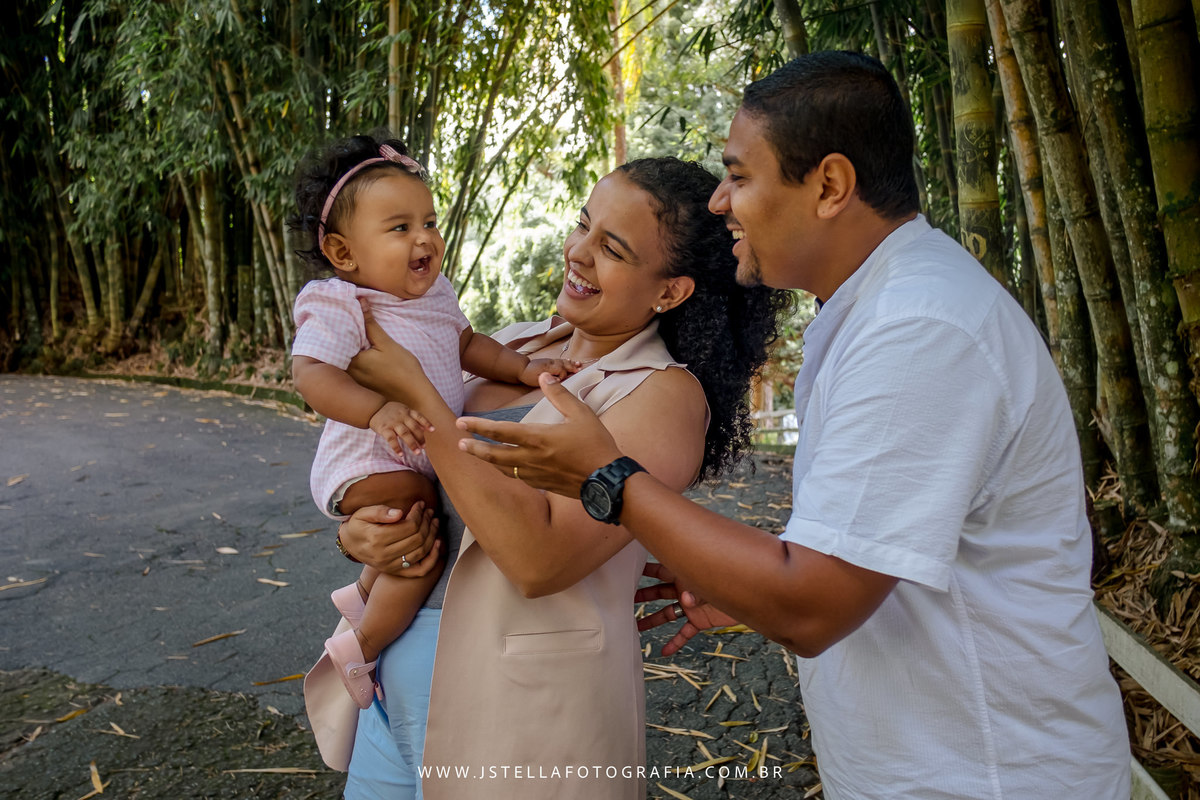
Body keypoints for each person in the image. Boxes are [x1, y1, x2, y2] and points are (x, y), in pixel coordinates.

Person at [454, 51, 1133, 800]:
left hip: (986, 775)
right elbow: (853, 555)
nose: (720, 202)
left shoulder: (919, 328)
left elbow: (810, 604)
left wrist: (607, 478)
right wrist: (733, 576)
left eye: (740, 176)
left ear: (830, 186)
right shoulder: (879, 311)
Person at [335, 156, 792, 799]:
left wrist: (416, 390)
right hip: (390, 691)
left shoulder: (665, 397)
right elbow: (417, 477)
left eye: (612, 248)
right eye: (583, 225)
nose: (578, 252)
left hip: (524, 722)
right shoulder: (518, 344)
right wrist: (361, 534)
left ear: (670, 291)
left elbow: (538, 560)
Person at [289, 132, 575, 708]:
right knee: (423, 535)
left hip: (411, 448)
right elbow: (310, 374)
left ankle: (365, 592)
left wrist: (523, 368)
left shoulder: (437, 294)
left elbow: (468, 344)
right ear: (345, 254)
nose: (424, 238)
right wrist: (376, 409)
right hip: (371, 455)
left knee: (415, 524)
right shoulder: (344, 302)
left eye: (429, 221)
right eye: (399, 228)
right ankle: (360, 645)